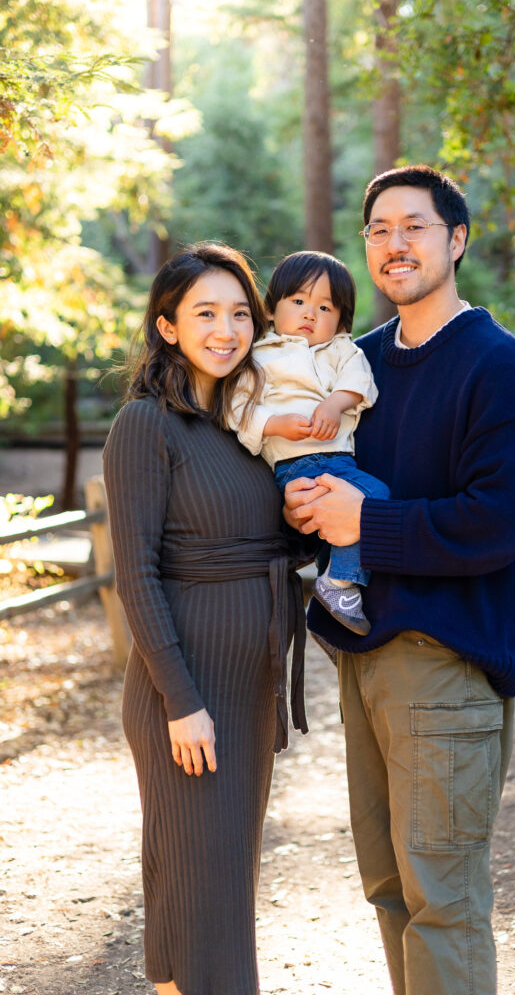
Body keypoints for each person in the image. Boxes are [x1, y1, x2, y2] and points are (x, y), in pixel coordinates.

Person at [285, 165, 515, 995]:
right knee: (390, 890)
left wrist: (368, 524)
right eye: (379, 230)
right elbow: (313, 469)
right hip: (361, 659)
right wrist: (304, 502)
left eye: (415, 226)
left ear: (455, 239)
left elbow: (499, 522)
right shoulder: (351, 364)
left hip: (443, 661)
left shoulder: (496, 364)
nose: (395, 244)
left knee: (442, 898)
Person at [103, 242, 307, 995]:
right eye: (204, 314)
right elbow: (138, 576)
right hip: (185, 693)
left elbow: (279, 538)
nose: (226, 330)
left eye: (239, 314)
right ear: (166, 327)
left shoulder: (249, 426)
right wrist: (182, 704)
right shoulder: (145, 427)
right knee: (201, 886)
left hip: (249, 687)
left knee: (212, 884)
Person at [228, 250, 389, 636]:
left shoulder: (341, 350)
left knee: (341, 527)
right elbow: (237, 410)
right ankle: (338, 585)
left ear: (341, 319)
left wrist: (334, 405)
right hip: (294, 466)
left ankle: (331, 616)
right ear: (270, 310)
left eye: (324, 307)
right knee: (376, 499)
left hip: (337, 462)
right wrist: (275, 424)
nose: (309, 314)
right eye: (298, 301)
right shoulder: (258, 358)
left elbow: (360, 382)